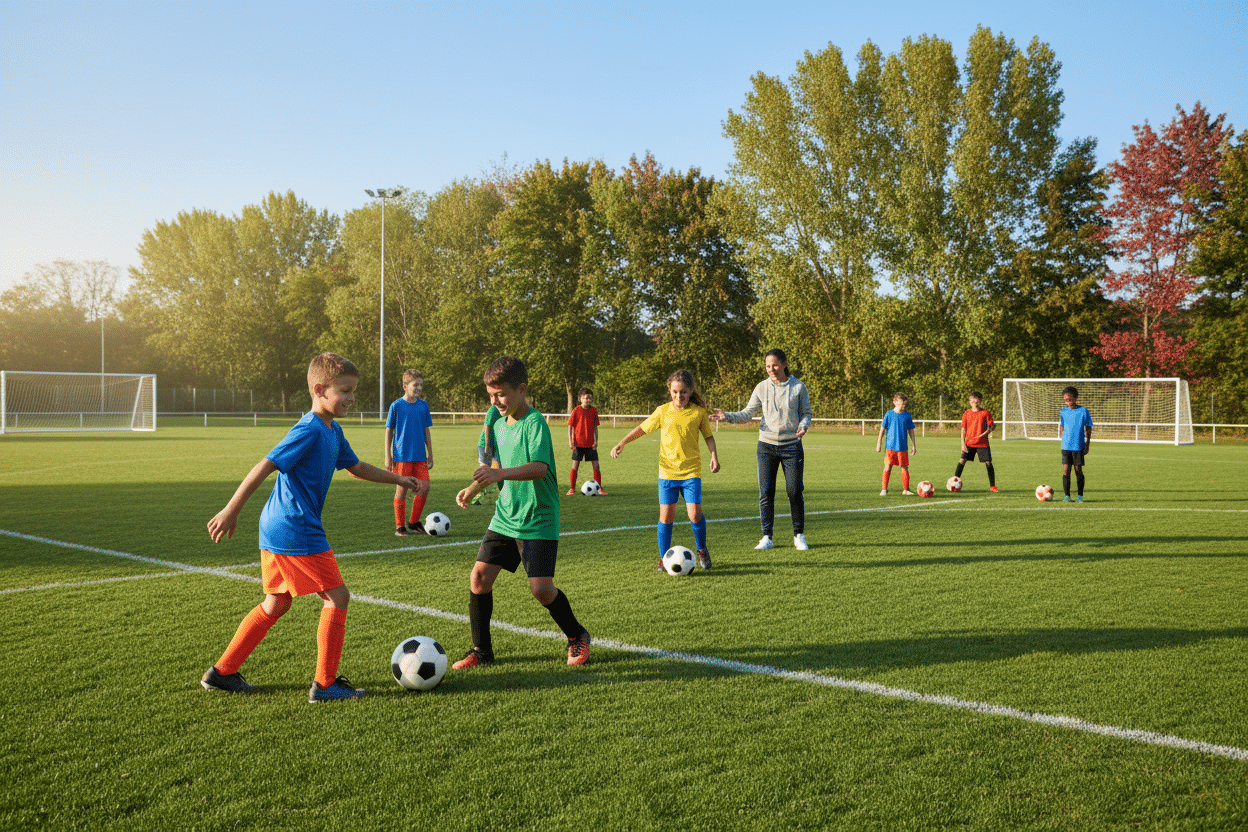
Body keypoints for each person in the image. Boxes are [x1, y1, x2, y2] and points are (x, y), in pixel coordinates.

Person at [203, 353, 427, 703]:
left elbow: (356, 467)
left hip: (277, 525)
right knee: (338, 597)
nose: (352, 398)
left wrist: (401, 478)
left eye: (353, 391)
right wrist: (231, 510)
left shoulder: (332, 429)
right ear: (320, 390)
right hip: (296, 526)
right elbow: (265, 465)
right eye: (346, 391)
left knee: (275, 603)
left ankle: (222, 672)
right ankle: (325, 685)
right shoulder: (308, 429)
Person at [452, 356, 591, 669]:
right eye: (491, 395)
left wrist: (499, 476)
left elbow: (539, 468)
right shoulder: (500, 425)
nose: (495, 401)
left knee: (541, 590)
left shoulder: (535, 422)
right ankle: (482, 652)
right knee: (479, 578)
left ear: (521, 389)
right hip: (505, 515)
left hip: (538, 516)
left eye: (501, 394)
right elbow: (499, 465)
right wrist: (474, 488)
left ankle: (576, 635)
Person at [611, 369, 720, 571]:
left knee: (695, 514)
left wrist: (714, 456)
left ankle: (702, 549)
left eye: (684, 392)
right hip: (667, 473)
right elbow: (642, 428)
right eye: (675, 392)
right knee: (666, 517)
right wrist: (623, 442)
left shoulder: (698, 412)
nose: (679, 396)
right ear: (670, 390)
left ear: (691, 391)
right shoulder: (662, 411)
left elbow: (708, 436)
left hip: (690, 473)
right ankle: (664, 557)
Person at [710, 349, 811, 551]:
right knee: (766, 492)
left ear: (783, 364)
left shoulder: (799, 387)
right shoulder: (761, 387)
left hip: (792, 447)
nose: (771, 369)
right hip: (766, 446)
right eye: (767, 366)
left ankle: (798, 535)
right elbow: (747, 413)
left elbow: (806, 413)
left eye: (774, 365)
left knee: (794, 491)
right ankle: (767, 536)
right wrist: (727, 416)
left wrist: (804, 424)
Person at [385, 369, 434, 535]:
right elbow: (389, 432)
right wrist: (388, 455)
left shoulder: (423, 405)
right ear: (405, 386)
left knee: (425, 486)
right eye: (415, 384)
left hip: (420, 456)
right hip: (402, 456)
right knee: (402, 490)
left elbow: (426, 431)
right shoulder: (396, 406)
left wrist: (431, 454)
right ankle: (400, 526)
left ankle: (413, 522)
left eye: (421, 384)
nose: (419, 387)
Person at [567, 386, 607, 496]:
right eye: (585, 398)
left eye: (589, 398)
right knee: (575, 465)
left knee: (596, 465)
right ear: (580, 398)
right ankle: (572, 488)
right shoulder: (576, 410)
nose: (587, 400)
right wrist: (571, 441)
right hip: (578, 444)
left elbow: (595, 427)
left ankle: (599, 489)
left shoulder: (594, 411)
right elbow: (570, 426)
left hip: (590, 444)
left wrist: (596, 441)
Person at [954, 391, 997, 492]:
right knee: (962, 460)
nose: (974, 401)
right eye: (972, 399)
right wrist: (962, 444)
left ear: (980, 400)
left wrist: (991, 429)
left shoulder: (986, 413)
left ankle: (992, 486)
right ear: (969, 401)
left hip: (982, 443)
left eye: (976, 399)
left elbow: (992, 426)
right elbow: (963, 429)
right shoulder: (967, 413)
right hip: (969, 443)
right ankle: (954, 482)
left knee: (988, 462)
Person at [876, 393, 917, 496]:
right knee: (887, 466)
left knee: (904, 467)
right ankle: (884, 489)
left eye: (904, 403)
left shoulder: (907, 415)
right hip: (890, 447)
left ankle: (905, 490)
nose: (903, 405)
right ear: (895, 402)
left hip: (903, 447)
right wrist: (879, 443)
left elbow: (911, 430)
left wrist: (914, 445)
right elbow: (882, 429)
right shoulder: (889, 414)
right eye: (901, 403)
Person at [1059, 385, 1093, 502]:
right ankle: (1067, 495)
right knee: (1066, 469)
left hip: (1078, 445)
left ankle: (1080, 495)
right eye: (1066, 400)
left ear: (1076, 398)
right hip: (1066, 445)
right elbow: (1063, 426)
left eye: (1070, 399)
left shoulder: (1083, 411)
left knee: (1078, 469)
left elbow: (1088, 428)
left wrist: (1087, 444)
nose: (1068, 402)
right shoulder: (1063, 411)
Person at [470, 404, 502, 505]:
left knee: (498, 470)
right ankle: (475, 498)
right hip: (486, 445)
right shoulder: (493, 409)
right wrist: (487, 446)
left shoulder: (506, 409)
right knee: (484, 472)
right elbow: (487, 426)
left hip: (496, 446)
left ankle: (502, 496)